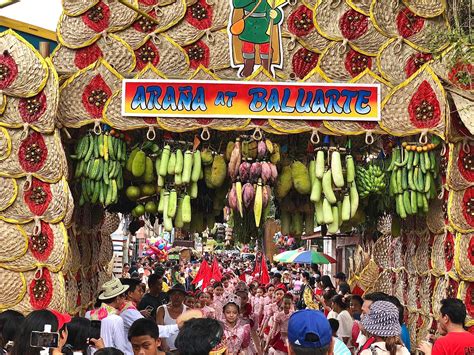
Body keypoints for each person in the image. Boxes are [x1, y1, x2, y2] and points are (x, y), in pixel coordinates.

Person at [89, 278, 132, 354]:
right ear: (118, 299)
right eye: (124, 296)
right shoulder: (116, 319)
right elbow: (121, 348)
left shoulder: (90, 314)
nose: (125, 299)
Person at [156, 284, 188, 352]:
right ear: (170, 296)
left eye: (180, 294)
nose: (176, 297)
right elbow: (159, 329)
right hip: (166, 350)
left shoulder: (188, 311)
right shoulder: (162, 309)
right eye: (174, 294)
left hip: (183, 350)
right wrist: (164, 345)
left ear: (184, 297)